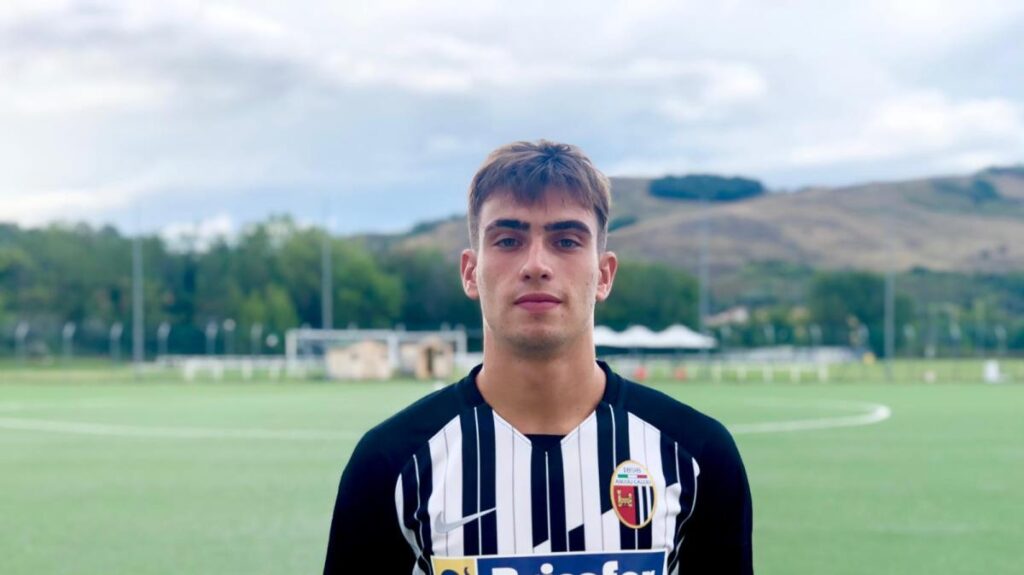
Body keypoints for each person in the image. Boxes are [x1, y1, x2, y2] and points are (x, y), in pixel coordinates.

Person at [323, 140, 753, 574]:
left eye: (566, 241)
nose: (536, 264)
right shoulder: (391, 463)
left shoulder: (697, 455)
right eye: (508, 240)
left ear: (604, 274)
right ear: (470, 272)